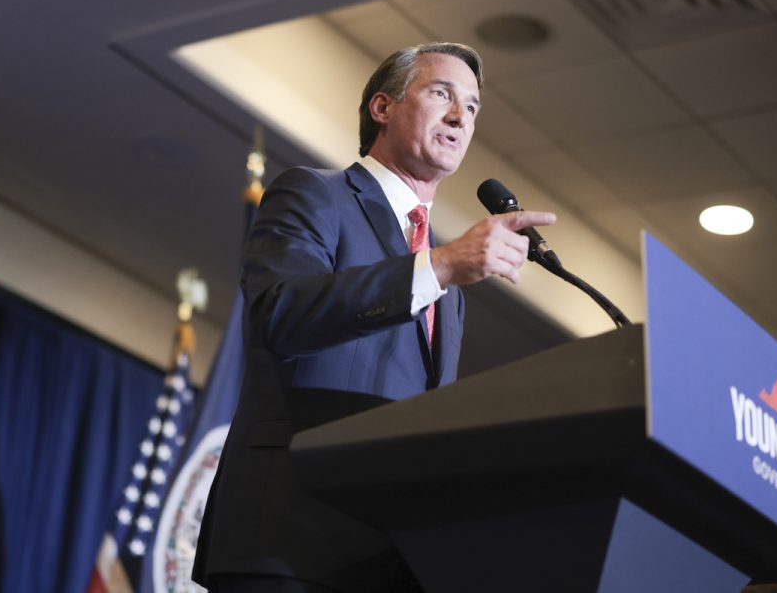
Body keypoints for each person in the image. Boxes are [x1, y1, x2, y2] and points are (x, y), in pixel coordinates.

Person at [193, 42, 556, 592]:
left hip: (391, 562)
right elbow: (281, 315)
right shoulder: (314, 195)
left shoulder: (448, 280)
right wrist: (438, 265)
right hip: (290, 542)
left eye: (474, 107)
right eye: (442, 94)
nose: (461, 116)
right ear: (382, 108)